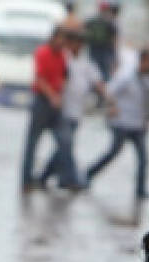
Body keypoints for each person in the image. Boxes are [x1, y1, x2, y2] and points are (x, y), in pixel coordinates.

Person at [84, 47, 149, 200]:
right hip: (122, 123)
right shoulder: (126, 77)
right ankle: (88, 174)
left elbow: (147, 103)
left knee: (143, 157)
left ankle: (140, 190)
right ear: (142, 61)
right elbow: (109, 91)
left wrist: (147, 120)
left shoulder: (148, 80)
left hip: (138, 125)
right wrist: (112, 107)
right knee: (113, 152)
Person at [39, 28, 101, 189]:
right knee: (66, 144)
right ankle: (68, 178)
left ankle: (45, 177)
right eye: (76, 44)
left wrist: (109, 99)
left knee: (64, 146)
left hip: (76, 111)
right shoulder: (63, 58)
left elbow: (97, 81)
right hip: (62, 110)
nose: (78, 47)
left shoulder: (85, 63)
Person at [20, 27, 70, 191]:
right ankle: (26, 180)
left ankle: (47, 176)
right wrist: (52, 96)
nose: (62, 43)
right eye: (60, 39)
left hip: (56, 102)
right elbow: (40, 78)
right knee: (32, 142)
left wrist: (60, 94)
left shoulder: (63, 55)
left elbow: (63, 76)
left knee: (64, 141)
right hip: (43, 100)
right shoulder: (42, 53)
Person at [83, 0, 117, 78]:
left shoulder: (92, 20)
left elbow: (84, 30)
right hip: (105, 50)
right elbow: (113, 38)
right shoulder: (110, 21)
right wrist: (114, 54)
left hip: (94, 49)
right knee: (104, 71)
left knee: (94, 70)